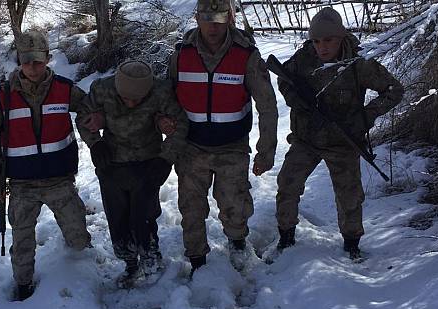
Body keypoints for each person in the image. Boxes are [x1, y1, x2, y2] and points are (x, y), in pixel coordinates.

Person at [274, 7, 404, 260]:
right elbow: (283, 78)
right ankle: (286, 238)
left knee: (349, 196)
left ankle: (352, 244)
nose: (322, 47)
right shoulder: (303, 59)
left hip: (344, 142)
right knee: (287, 185)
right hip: (307, 139)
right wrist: (298, 102)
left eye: (328, 40)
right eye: (316, 41)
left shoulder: (359, 63)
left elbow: (394, 90)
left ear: (341, 37)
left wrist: (365, 116)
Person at [0, 30, 91, 301]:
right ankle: (23, 286)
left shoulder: (65, 89)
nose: (32, 67)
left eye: (38, 61)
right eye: (27, 61)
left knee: (78, 238)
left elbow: (92, 111)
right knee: (22, 243)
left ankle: (81, 270)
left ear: (48, 59)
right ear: (20, 60)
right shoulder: (2, 97)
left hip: (60, 181)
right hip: (21, 185)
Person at [168, 0, 278, 272]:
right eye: (207, 19)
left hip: (232, 147)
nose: (213, 26)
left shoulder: (246, 55)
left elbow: (267, 106)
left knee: (234, 203)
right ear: (196, 18)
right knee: (191, 209)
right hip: (191, 147)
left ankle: (238, 242)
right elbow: (165, 98)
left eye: (219, 19)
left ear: (229, 18)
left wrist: (266, 151)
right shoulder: (181, 54)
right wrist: (163, 123)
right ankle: (197, 259)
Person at [76, 60, 188, 287]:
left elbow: (181, 123)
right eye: (126, 98)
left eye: (137, 100)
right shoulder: (102, 89)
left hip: (147, 164)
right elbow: (82, 116)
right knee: (118, 220)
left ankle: (151, 260)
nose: (131, 103)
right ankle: (130, 263)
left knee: (143, 217)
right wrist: (95, 143)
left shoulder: (160, 91)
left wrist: (166, 158)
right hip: (112, 164)